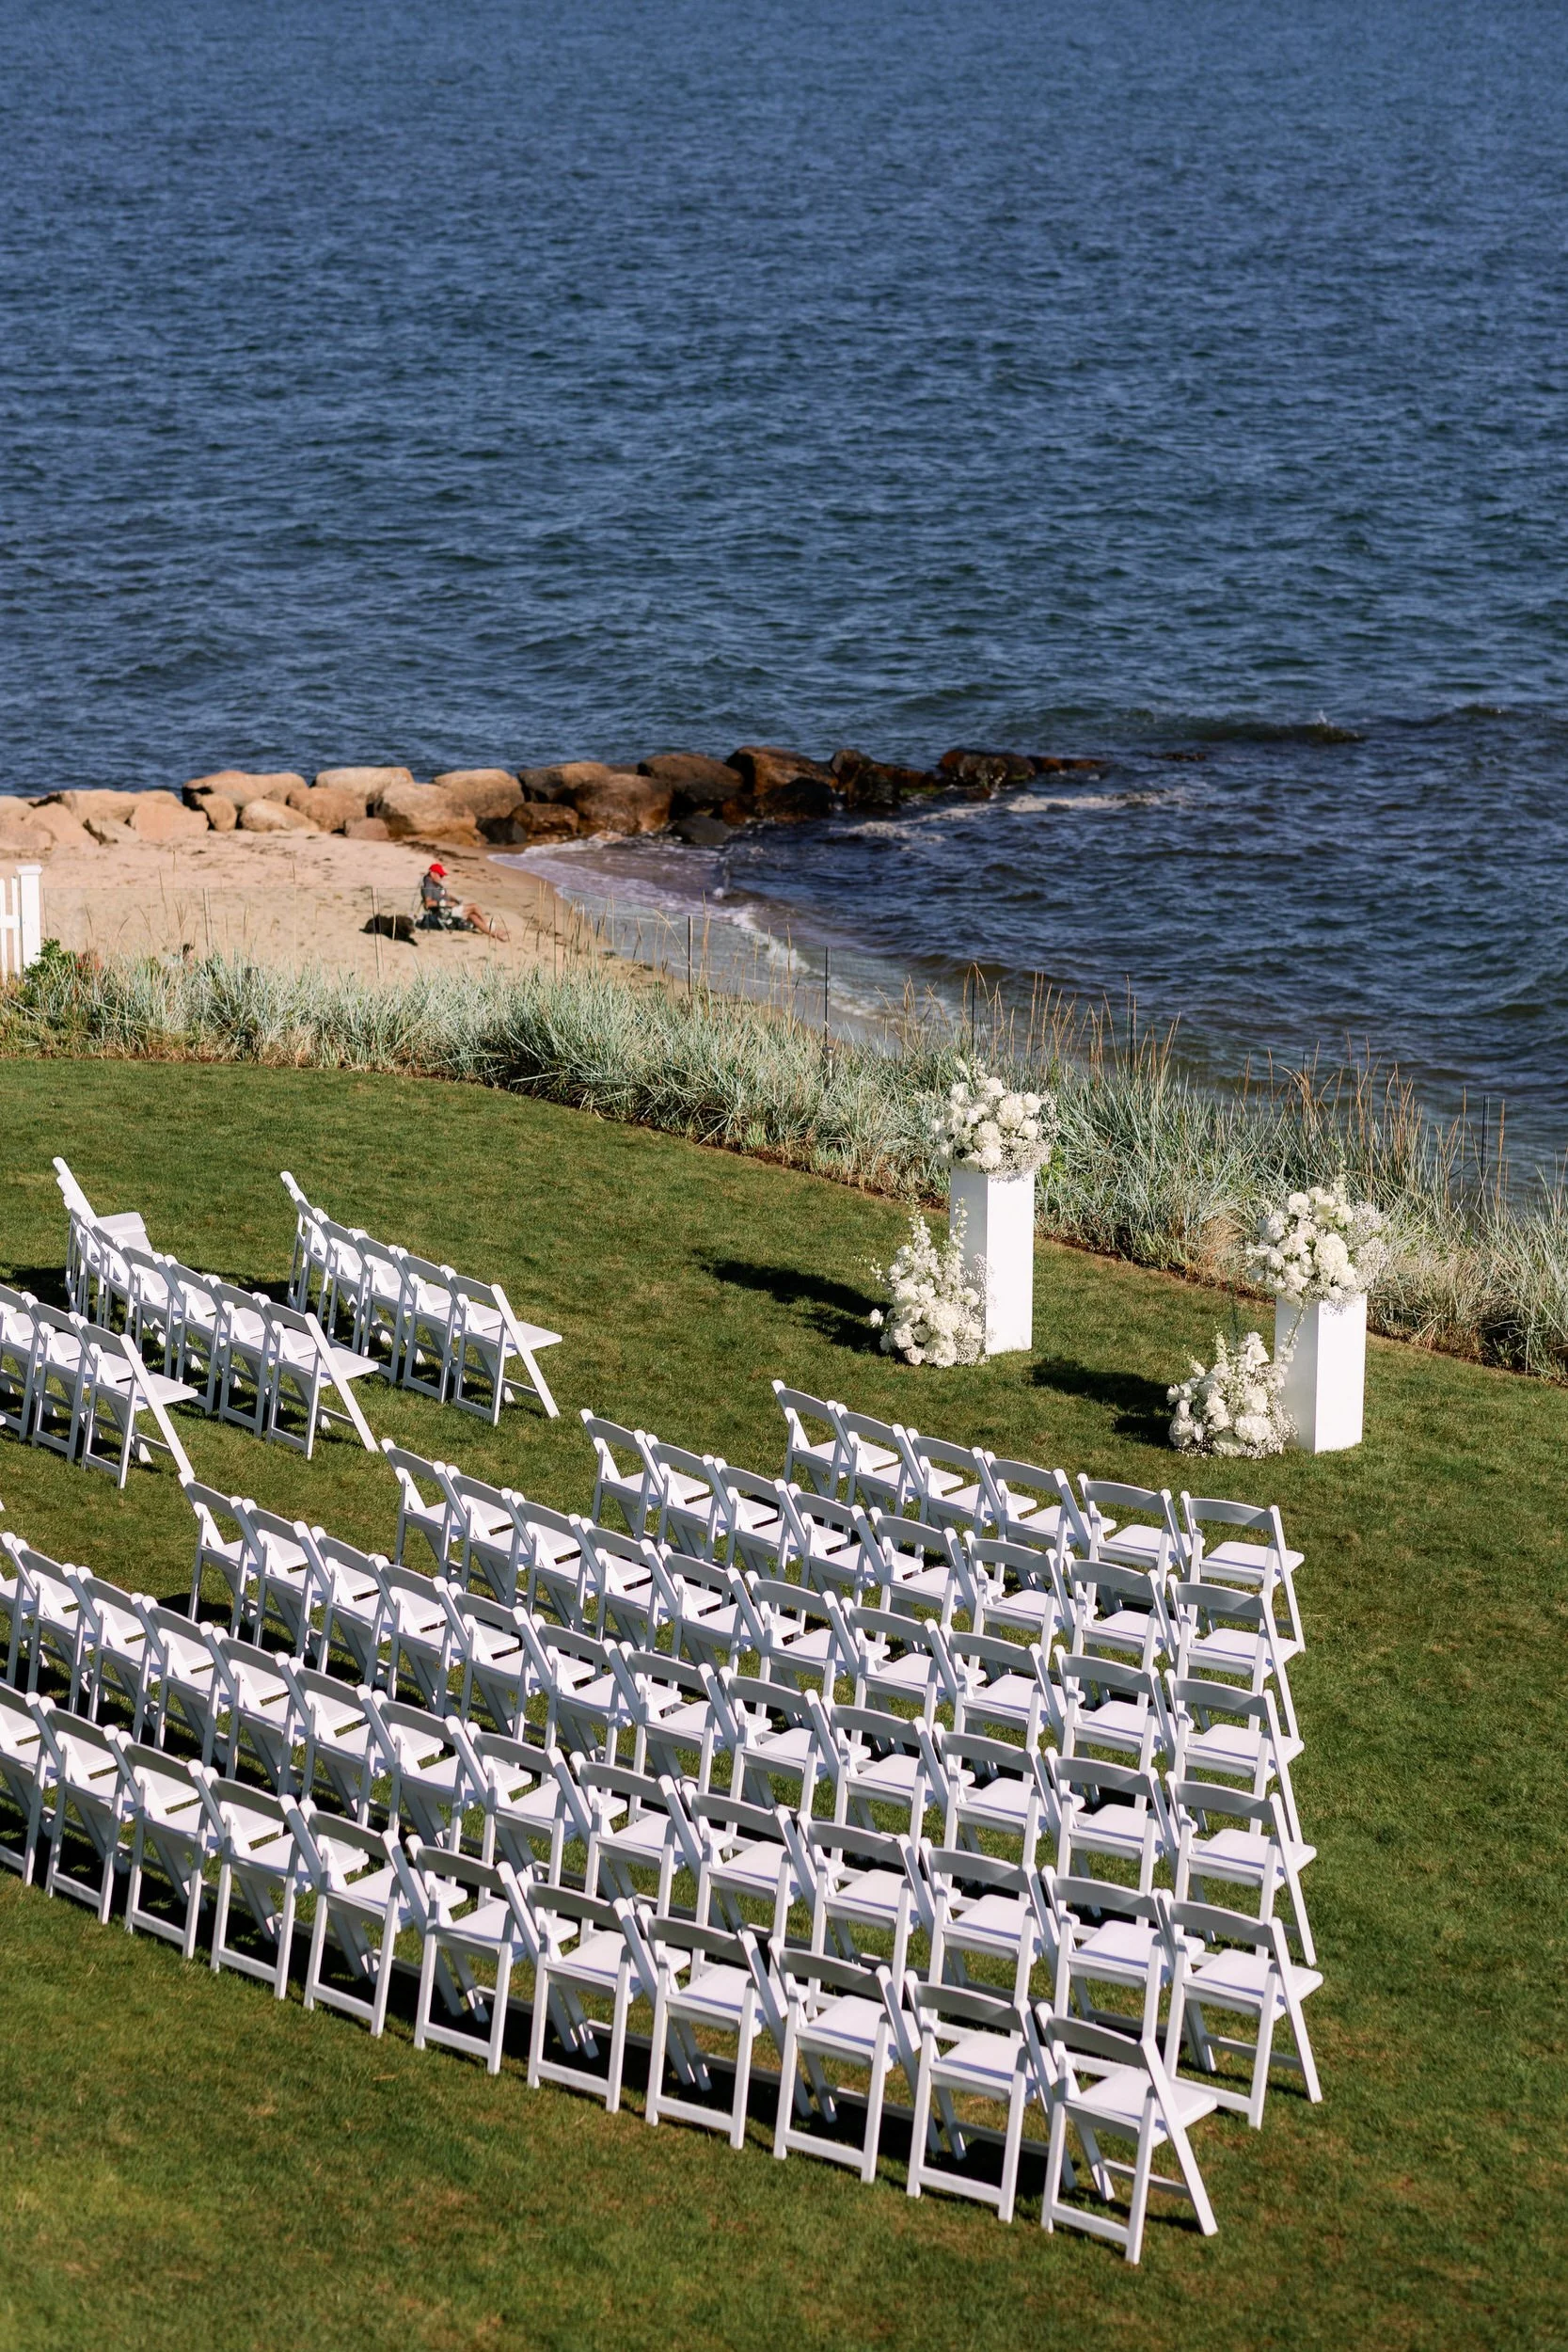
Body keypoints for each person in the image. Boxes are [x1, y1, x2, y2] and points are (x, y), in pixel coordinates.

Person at [419, 861, 509, 943]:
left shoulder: (435, 883)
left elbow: (446, 895)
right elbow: (428, 903)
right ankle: (490, 926)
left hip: (449, 909)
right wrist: (447, 903)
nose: (442, 877)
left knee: (473, 916)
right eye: (440, 875)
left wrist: (455, 900)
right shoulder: (428, 886)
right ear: (432, 873)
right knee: (474, 906)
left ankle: (493, 933)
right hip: (444, 912)